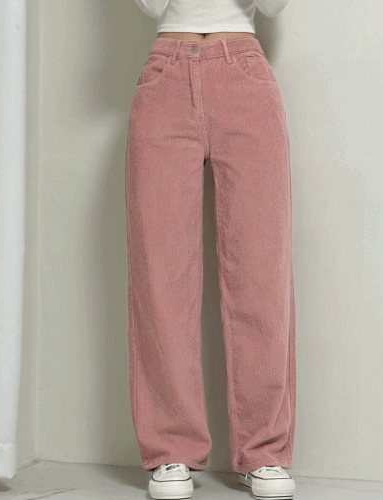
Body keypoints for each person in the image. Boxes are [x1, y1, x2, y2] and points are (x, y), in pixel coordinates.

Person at [126, 1, 296, 498]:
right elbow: (150, 5)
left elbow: (273, 5)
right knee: (161, 274)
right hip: (165, 74)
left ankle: (264, 452)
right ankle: (170, 449)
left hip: (245, 71)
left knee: (261, 273)